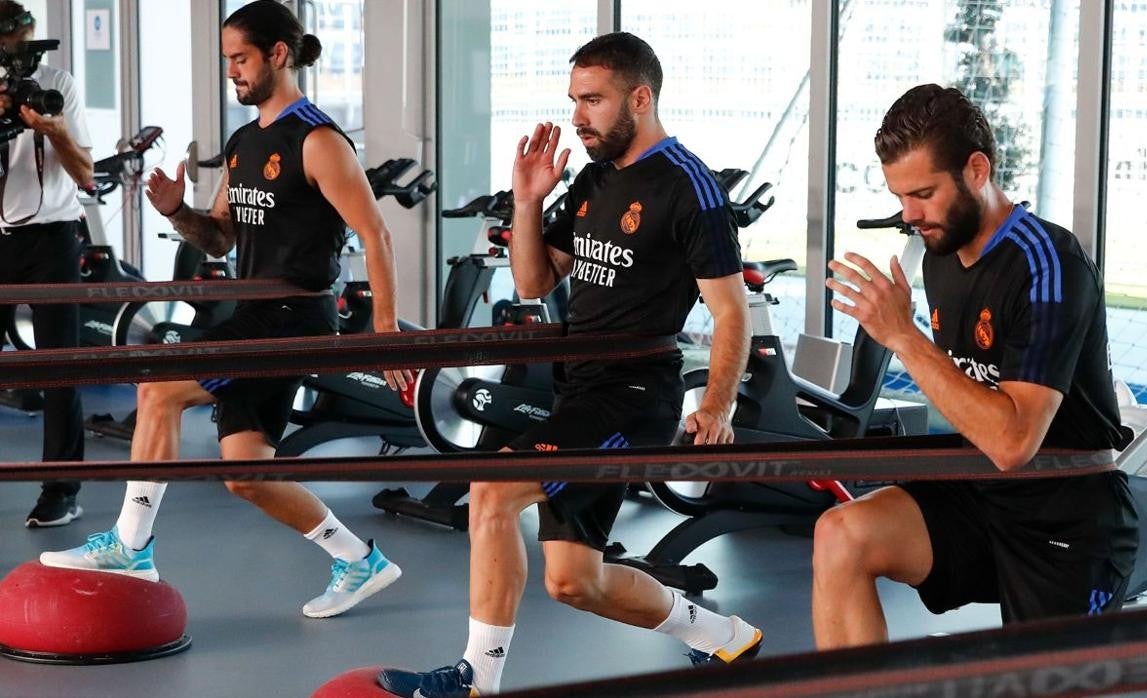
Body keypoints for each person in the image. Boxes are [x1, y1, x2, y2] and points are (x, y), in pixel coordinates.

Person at [378, 33, 762, 697]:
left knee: (494, 492)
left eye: (594, 100)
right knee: (573, 582)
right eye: (573, 100)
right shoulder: (595, 176)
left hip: (632, 392)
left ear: (639, 99)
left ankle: (476, 682)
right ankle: (721, 636)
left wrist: (717, 405)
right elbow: (532, 280)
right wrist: (528, 201)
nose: (578, 115)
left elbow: (731, 312)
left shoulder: (689, 187)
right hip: (577, 388)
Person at [40, 0, 409, 619]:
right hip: (255, 308)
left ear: (278, 55)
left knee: (157, 386)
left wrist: (387, 332)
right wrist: (175, 211)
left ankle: (131, 546)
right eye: (227, 60)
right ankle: (359, 560)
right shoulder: (243, 143)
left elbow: (376, 234)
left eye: (241, 58)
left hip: (295, 312)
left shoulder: (317, 140)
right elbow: (220, 237)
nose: (233, 71)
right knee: (246, 473)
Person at [812, 84, 1138, 648]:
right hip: (981, 496)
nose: (909, 215)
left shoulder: (1048, 264)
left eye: (923, 194)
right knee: (842, 534)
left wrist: (903, 336)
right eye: (900, 196)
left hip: (1068, 515)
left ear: (977, 169)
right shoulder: (943, 252)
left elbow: (1013, 442)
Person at [0, 2, 91, 528]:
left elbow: (85, 174)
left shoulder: (57, 83)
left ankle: (61, 488)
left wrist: (52, 129)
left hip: (51, 237)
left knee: (61, 366)